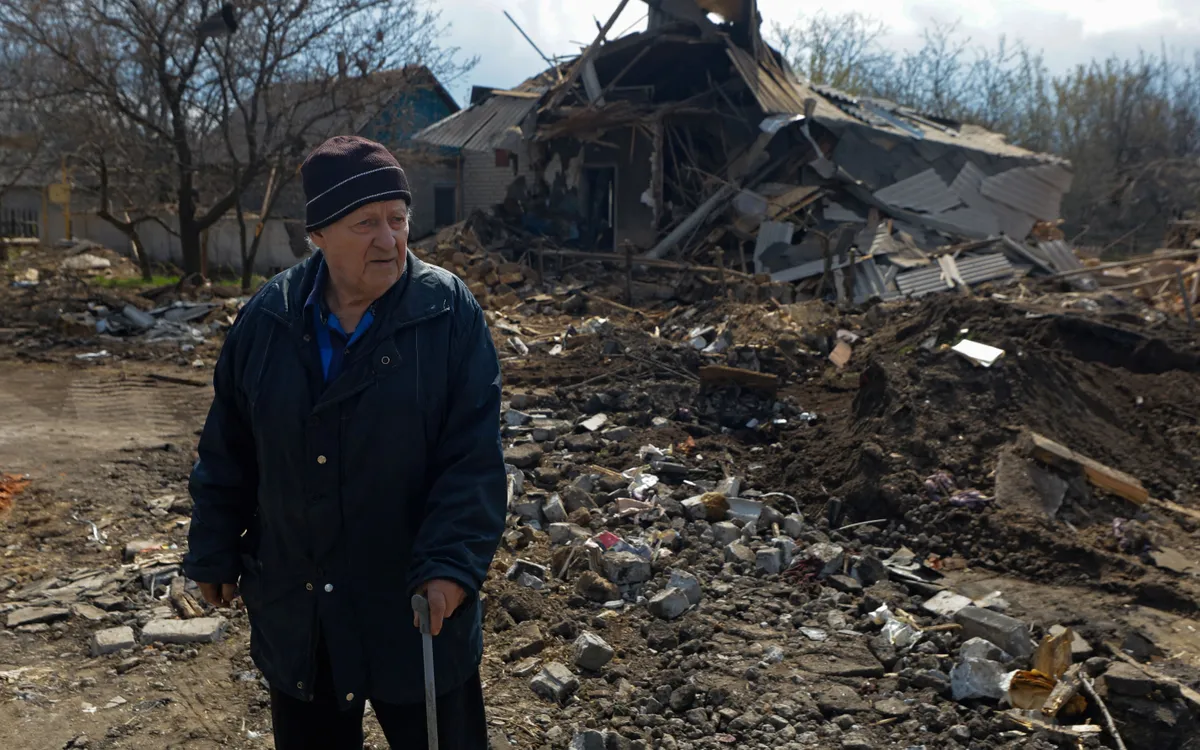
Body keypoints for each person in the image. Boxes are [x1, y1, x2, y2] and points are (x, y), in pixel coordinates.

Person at [183, 135, 507, 750]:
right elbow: (229, 446)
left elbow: (473, 459)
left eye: (398, 219)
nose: (389, 240)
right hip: (302, 611)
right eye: (366, 224)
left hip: (415, 608)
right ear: (319, 235)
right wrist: (214, 547)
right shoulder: (269, 320)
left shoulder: (447, 314)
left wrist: (450, 565)